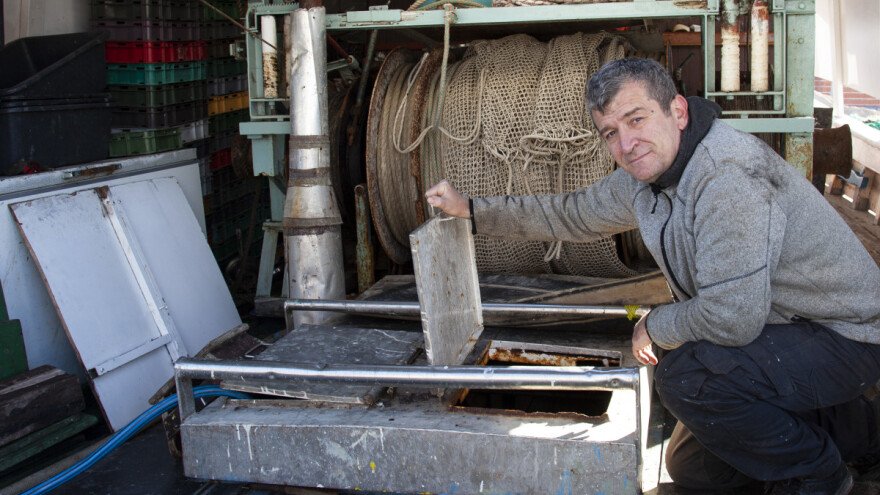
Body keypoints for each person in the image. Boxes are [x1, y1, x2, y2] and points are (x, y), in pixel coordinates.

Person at [424, 57, 880, 495]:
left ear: (677, 111)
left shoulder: (727, 176)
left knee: (687, 376)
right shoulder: (647, 177)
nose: (626, 144)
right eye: (610, 132)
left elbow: (731, 319)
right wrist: (472, 211)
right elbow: (574, 213)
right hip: (783, 330)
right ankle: (863, 435)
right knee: (693, 469)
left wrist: (654, 326)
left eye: (637, 119)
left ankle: (819, 475)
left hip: (846, 336)